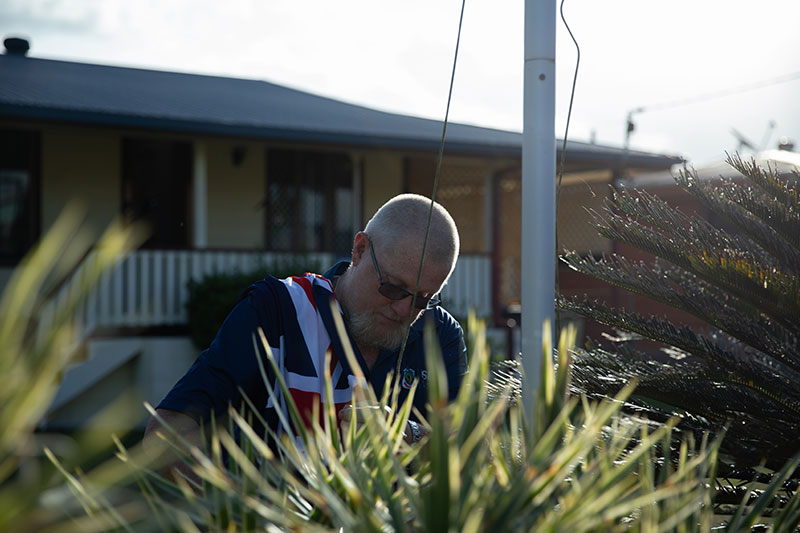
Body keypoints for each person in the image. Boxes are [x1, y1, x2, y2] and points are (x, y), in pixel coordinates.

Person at [143, 193, 467, 465]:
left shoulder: (440, 335)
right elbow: (167, 430)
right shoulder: (278, 311)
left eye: (423, 299)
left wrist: (406, 433)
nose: (403, 310)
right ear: (359, 250)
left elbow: (466, 447)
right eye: (394, 288)